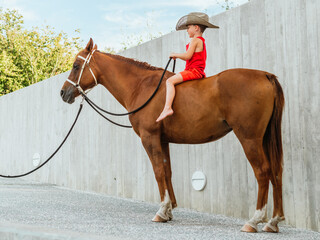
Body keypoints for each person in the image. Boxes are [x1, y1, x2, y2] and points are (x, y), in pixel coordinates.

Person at [156, 12, 219, 122]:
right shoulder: (201, 41)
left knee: (169, 81)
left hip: (193, 71)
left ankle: (167, 108)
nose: (187, 30)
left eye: (188, 27)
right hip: (197, 71)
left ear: (196, 28)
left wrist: (175, 54)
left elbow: (187, 56)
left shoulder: (195, 40)